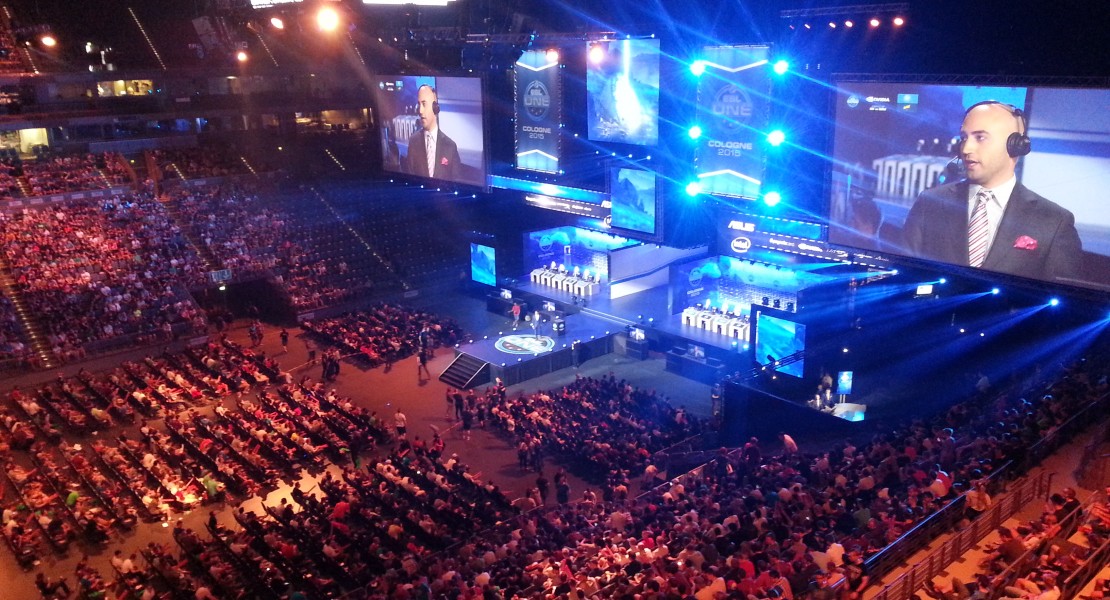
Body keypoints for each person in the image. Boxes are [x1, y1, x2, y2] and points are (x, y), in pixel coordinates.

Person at [902, 101, 1083, 282]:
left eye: (980, 137)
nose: (966, 148)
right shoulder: (930, 203)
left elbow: (1064, 296)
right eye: (964, 137)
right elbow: (903, 278)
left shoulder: (1054, 222)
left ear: (1014, 146)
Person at [406, 84, 461, 180]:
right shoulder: (413, 142)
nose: (420, 110)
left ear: (435, 108)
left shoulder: (450, 146)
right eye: (419, 105)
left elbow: (457, 182)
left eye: (424, 104)